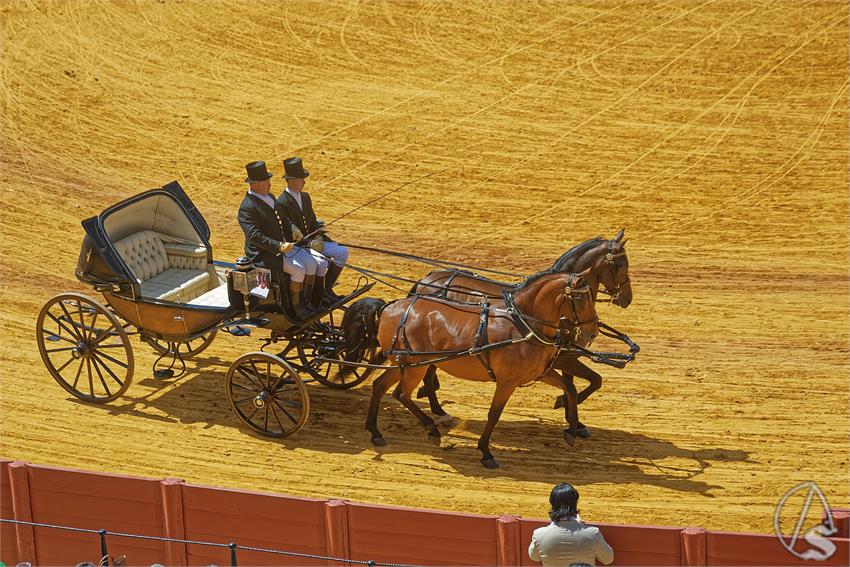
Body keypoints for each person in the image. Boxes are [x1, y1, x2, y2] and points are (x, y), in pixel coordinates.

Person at [237, 160, 320, 319]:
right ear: (255, 184)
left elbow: (283, 218)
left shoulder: (269, 197)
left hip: (284, 248)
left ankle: (306, 301)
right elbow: (254, 236)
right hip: (265, 254)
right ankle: (295, 308)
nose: (269, 184)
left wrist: (293, 229)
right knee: (298, 269)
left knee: (311, 263)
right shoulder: (247, 208)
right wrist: (279, 246)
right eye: (266, 181)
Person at [277, 157, 350, 303]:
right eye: (301, 179)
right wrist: (307, 241)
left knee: (342, 252)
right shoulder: (282, 201)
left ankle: (327, 288)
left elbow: (311, 221)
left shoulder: (305, 197)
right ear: (291, 180)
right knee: (322, 262)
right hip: (299, 246)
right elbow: (287, 229)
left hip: (313, 241)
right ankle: (317, 295)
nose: (304, 182)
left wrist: (318, 235)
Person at [528, 483, 614, 566]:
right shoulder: (592, 534)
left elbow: (534, 557)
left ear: (552, 504)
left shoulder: (539, 535)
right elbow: (608, 559)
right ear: (575, 503)